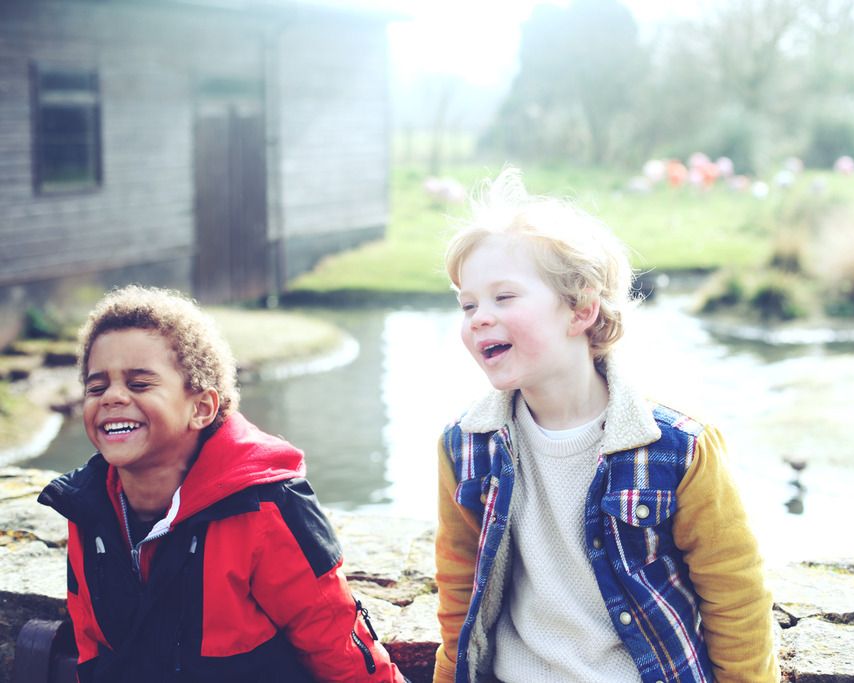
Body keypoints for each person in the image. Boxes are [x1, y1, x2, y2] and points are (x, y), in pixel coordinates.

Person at [433, 168, 778, 683]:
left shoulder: (679, 448)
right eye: (468, 304)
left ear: (582, 309)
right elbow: (460, 592)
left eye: (504, 297)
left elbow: (736, 595)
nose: (479, 317)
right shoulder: (463, 448)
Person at [38, 286, 406, 683]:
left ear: (201, 408)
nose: (111, 397)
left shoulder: (267, 506)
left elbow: (339, 650)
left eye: (139, 384)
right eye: (97, 387)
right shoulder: (86, 507)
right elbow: (92, 646)